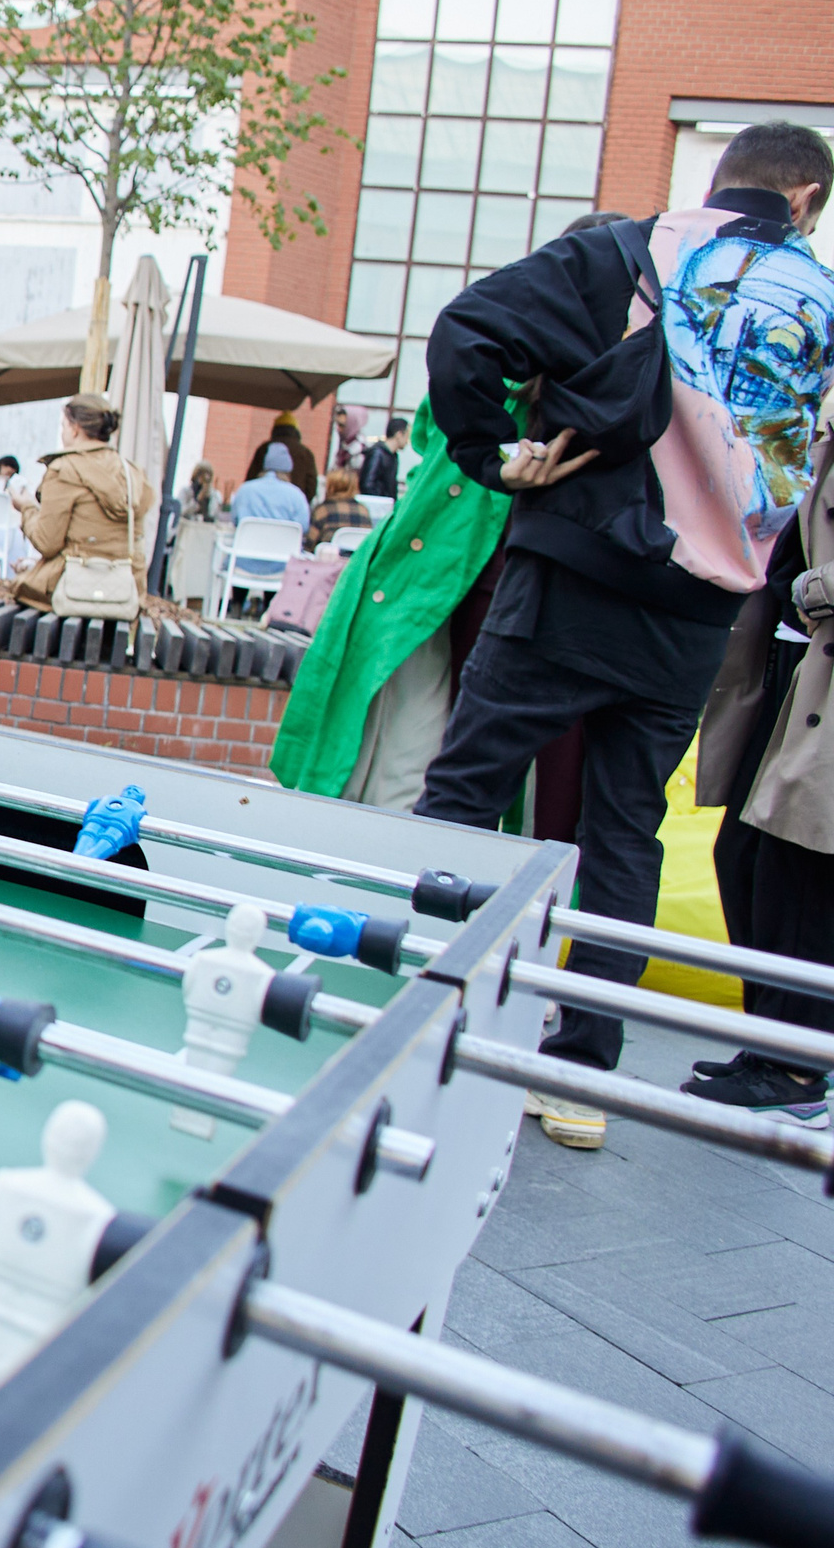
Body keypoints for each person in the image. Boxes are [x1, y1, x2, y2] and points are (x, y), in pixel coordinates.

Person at [415, 120, 834, 1150]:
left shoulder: (627, 250)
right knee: (623, 830)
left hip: (577, 569)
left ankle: (415, 1018)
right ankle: (577, 1074)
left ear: (718, 178)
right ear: (807, 201)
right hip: (701, 608)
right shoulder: (822, 302)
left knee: (464, 792)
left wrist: (489, 453)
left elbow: (468, 329)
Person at [272, 398, 510, 811]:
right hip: (430, 565)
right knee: (403, 752)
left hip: (416, 563)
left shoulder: (405, 460)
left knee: (393, 746)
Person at [692, 431, 834, 1122]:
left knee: (796, 865)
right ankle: (767, 1042)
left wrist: (814, 588)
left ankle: (796, 1065)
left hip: (819, 670)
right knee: (743, 855)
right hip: (790, 666)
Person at [7, 392, 155, 613]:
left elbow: (47, 542)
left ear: (75, 428)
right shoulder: (132, 473)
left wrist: (26, 507)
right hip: (124, 593)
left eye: (63, 426)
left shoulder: (65, 469)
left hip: (74, 590)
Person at [230, 441, 311, 526]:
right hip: (283, 539)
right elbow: (303, 526)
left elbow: (235, 519)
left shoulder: (245, 490)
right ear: (288, 472)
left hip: (249, 539)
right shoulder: (296, 495)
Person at [245, 414, 319, 501]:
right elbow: (311, 486)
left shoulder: (264, 449)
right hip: (293, 503)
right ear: (296, 431)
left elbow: (251, 477)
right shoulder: (306, 453)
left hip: (263, 500)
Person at [306, 466, 375, 550]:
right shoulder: (363, 511)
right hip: (354, 560)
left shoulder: (323, 510)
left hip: (328, 560)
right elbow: (368, 543)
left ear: (330, 486)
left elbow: (309, 543)